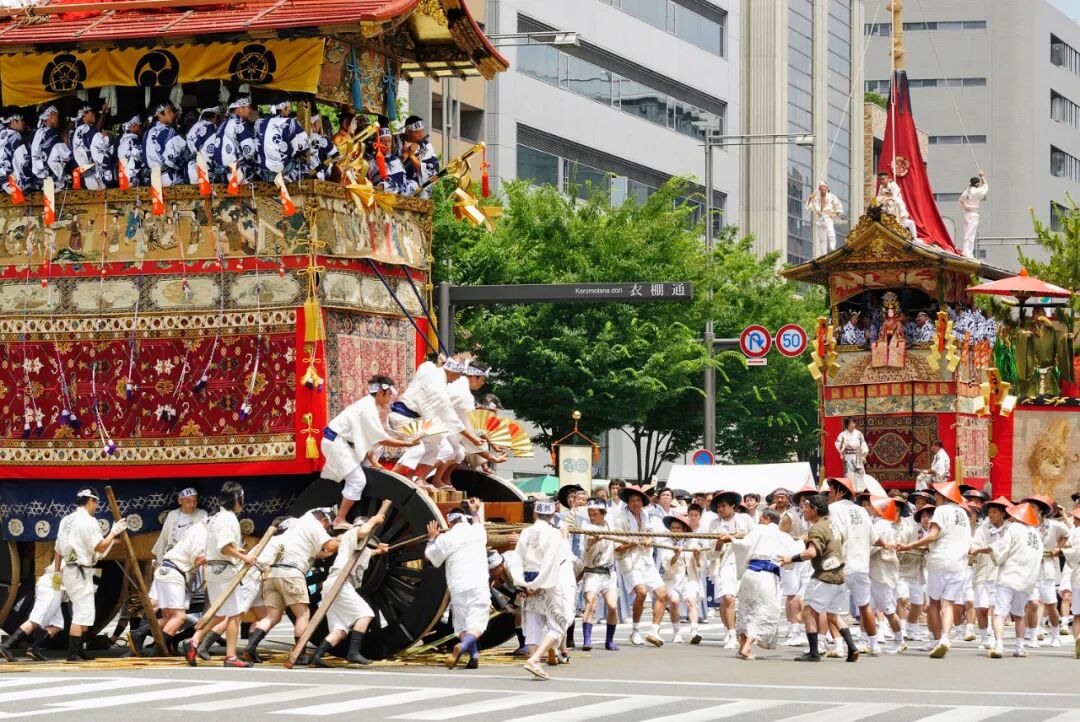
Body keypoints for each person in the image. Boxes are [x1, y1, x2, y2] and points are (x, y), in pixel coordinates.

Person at [241, 509, 339, 664]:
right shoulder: (314, 524)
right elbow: (331, 546)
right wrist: (346, 538)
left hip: (272, 574)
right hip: (292, 573)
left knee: (272, 616)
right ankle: (300, 653)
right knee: (303, 614)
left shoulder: (294, 527)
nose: (327, 530)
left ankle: (251, 646)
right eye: (327, 526)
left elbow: (318, 552)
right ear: (323, 521)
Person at [321, 375, 420, 529]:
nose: (389, 400)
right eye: (388, 395)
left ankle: (367, 469)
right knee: (358, 481)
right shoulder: (367, 409)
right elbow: (381, 439)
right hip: (336, 444)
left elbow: (370, 439)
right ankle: (339, 520)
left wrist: (374, 462)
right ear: (380, 393)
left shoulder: (368, 405)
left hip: (345, 444)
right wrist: (408, 444)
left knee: (375, 450)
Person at [181, 481, 260, 668]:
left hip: (214, 570)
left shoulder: (216, 517)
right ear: (237, 500)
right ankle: (231, 656)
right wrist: (245, 557)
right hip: (224, 570)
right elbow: (224, 548)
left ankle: (194, 640)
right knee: (234, 614)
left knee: (219, 613)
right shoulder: (228, 519)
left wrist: (239, 552)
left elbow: (224, 546)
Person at [895, 481, 972, 658]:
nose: (935, 497)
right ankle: (944, 637)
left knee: (934, 604)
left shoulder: (942, 511)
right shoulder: (963, 514)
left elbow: (933, 535)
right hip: (959, 564)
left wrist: (909, 546)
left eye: (937, 494)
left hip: (940, 561)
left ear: (944, 496)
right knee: (948, 603)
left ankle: (937, 640)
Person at [779, 493, 859, 663]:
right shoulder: (833, 525)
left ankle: (814, 651)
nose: (804, 511)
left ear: (815, 509)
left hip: (824, 576)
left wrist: (790, 558)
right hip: (839, 576)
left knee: (808, 611)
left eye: (806, 507)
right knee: (833, 614)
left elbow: (811, 553)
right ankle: (852, 647)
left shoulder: (816, 528)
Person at [308, 511, 389, 667]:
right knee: (366, 614)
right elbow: (362, 531)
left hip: (336, 585)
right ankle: (353, 652)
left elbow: (368, 552)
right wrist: (373, 520)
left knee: (340, 630)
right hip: (340, 583)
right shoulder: (352, 533)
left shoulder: (361, 548)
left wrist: (379, 551)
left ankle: (317, 656)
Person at [55, 488, 127, 662]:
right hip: (79, 571)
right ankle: (72, 653)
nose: (96, 507)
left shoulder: (66, 520)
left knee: (86, 612)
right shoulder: (89, 521)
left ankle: (79, 650)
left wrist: (57, 577)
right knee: (81, 614)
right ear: (91, 501)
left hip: (68, 570)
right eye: (96, 503)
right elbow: (100, 547)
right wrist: (114, 531)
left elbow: (57, 548)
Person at [721, 509, 797, 659]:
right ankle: (747, 646)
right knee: (762, 611)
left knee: (745, 609)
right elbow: (793, 557)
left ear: (766, 518)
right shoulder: (784, 536)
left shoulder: (759, 530)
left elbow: (743, 545)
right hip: (767, 576)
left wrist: (732, 539)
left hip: (750, 574)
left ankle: (743, 646)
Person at [971, 501, 1043, 658]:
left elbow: (999, 547)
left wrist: (977, 549)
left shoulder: (1014, 529)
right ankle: (1019, 647)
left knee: (999, 613)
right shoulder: (1036, 535)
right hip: (1027, 581)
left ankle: (999, 645)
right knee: (1019, 615)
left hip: (1010, 576)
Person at [425, 507, 490, 670]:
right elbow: (477, 522)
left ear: (449, 521)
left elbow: (431, 557)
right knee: (477, 624)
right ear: (464, 518)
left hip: (459, 586)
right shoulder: (478, 531)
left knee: (461, 626)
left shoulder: (446, 538)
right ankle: (463, 647)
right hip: (479, 584)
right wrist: (475, 511)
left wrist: (432, 538)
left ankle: (473, 656)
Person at [519, 499, 576, 680]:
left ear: (535, 513)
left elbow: (517, 559)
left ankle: (534, 661)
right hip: (548, 582)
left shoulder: (525, 532)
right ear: (552, 515)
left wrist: (524, 583)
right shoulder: (555, 534)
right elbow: (556, 560)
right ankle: (535, 659)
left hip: (528, 580)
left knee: (534, 625)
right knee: (560, 622)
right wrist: (564, 537)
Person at [388, 356, 465, 484]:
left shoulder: (428, 367)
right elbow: (449, 416)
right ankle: (390, 478)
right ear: (451, 371)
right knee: (418, 448)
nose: (457, 379)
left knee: (440, 446)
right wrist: (472, 438)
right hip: (401, 418)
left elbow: (428, 365)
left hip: (415, 421)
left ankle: (414, 478)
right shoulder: (439, 388)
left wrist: (439, 364)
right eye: (458, 375)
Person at [138, 516, 208, 655]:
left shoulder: (195, 529)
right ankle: (157, 648)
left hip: (167, 570)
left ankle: (139, 634)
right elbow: (198, 559)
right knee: (179, 617)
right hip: (174, 573)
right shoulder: (202, 533)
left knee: (170, 617)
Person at [827, 477, 879, 654]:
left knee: (831, 607)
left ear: (840, 492)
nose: (829, 495)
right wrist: (886, 544)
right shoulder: (863, 511)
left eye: (831, 491)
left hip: (841, 564)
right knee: (864, 606)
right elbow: (873, 538)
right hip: (861, 564)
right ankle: (874, 645)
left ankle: (840, 646)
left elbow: (835, 535)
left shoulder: (832, 509)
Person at [614, 485, 668, 647]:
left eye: (638, 500)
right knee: (642, 592)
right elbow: (616, 546)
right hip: (629, 561)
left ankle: (654, 630)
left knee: (662, 593)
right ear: (628, 502)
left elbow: (650, 534)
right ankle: (635, 630)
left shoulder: (645, 515)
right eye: (632, 501)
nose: (636, 503)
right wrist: (631, 543)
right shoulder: (620, 519)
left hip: (646, 560)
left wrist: (649, 540)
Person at [708, 490, 754, 649]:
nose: (721, 509)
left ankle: (741, 631)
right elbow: (711, 550)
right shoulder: (714, 524)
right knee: (727, 598)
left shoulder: (745, 519)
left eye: (724, 506)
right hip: (725, 563)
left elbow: (753, 537)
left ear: (733, 506)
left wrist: (733, 536)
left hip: (743, 562)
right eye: (718, 507)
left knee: (742, 600)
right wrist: (720, 543)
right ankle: (731, 632)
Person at [0, 552, 66, 662]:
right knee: (36, 619)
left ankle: (33, 648)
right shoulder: (76, 547)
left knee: (58, 624)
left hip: (57, 586)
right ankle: (6, 646)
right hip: (53, 585)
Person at [864, 494, 906, 654]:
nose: (868, 507)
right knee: (867, 607)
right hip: (875, 571)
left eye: (871, 505)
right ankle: (870, 642)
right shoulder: (879, 523)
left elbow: (872, 546)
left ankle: (899, 640)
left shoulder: (881, 524)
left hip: (881, 572)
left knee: (887, 609)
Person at [1026, 496, 1067, 648]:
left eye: (1034, 508)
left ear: (1041, 511)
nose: (1031, 510)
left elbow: (1066, 534)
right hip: (1030, 569)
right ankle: (1032, 637)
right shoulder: (1026, 526)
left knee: (1051, 605)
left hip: (1047, 568)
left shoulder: (1054, 525)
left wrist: (1058, 548)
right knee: (1033, 604)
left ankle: (1056, 635)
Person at [580, 498, 620, 652]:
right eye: (590, 512)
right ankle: (587, 640)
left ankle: (609, 641)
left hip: (609, 573)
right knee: (592, 605)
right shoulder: (587, 526)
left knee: (612, 606)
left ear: (603, 513)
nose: (592, 515)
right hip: (592, 573)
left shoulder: (609, 522)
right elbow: (587, 545)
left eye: (595, 513)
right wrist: (592, 541)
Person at [971, 495, 1010, 650]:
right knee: (981, 607)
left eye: (995, 512)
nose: (991, 515)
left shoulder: (1010, 529)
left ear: (1002, 513)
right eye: (990, 512)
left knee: (995, 607)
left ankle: (995, 637)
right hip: (983, 571)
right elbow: (975, 545)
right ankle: (983, 638)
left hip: (1001, 573)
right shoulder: (982, 529)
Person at [660, 515, 704, 645]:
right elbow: (667, 566)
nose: (675, 530)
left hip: (689, 577)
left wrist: (696, 556)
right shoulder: (665, 543)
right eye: (673, 528)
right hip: (672, 578)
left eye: (678, 528)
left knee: (691, 601)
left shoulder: (692, 542)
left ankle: (694, 631)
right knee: (674, 601)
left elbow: (699, 565)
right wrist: (676, 555)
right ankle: (677, 632)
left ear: (684, 529)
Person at [779, 486, 814, 646]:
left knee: (804, 595)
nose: (805, 502)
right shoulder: (789, 516)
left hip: (808, 557)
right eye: (803, 499)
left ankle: (801, 628)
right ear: (798, 501)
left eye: (809, 499)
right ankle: (793, 628)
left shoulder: (814, 516)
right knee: (792, 595)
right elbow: (779, 536)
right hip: (790, 557)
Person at [258, 98, 308, 182]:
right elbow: (304, 146)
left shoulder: (259, 123)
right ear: (284, 109)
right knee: (305, 168)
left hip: (264, 174)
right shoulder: (290, 122)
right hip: (285, 173)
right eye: (288, 108)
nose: (289, 111)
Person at [213, 96, 257, 183]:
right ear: (238, 109)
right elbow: (249, 152)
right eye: (248, 107)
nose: (250, 110)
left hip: (220, 173)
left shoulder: (222, 124)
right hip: (236, 173)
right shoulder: (239, 123)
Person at [144, 101, 187, 187]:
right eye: (169, 111)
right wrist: (183, 165)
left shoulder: (147, 132)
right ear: (159, 114)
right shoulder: (167, 131)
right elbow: (171, 159)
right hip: (169, 179)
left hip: (153, 180)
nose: (172, 114)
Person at [71, 103, 114, 189]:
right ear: (84, 114)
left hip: (85, 177)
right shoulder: (89, 130)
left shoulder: (77, 131)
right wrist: (106, 138)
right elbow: (101, 152)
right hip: (95, 178)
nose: (94, 114)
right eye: (92, 112)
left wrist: (103, 114)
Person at [399, 115, 439, 195]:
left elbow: (429, 170)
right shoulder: (397, 142)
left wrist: (411, 155)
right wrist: (403, 156)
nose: (421, 135)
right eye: (417, 132)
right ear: (408, 132)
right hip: (398, 181)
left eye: (422, 131)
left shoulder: (426, 146)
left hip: (417, 185)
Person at [0, 107, 33, 196]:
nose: (24, 123)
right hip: (14, 187)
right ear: (14, 121)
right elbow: (21, 162)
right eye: (22, 120)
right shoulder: (15, 137)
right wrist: (26, 185)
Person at [805, 182, 843, 252]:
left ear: (827, 188)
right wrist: (810, 199)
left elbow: (839, 207)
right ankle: (823, 253)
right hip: (820, 218)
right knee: (822, 238)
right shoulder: (816, 198)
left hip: (828, 217)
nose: (822, 188)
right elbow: (809, 207)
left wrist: (834, 214)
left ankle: (832, 248)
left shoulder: (831, 197)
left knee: (831, 233)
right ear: (819, 189)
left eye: (824, 187)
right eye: (821, 187)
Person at [186, 107, 220, 184]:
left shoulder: (194, 127)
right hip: (205, 168)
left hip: (192, 168)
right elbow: (210, 151)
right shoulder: (211, 126)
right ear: (214, 116)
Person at [958, 172, 988, 258]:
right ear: (977, 183)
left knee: (966, 233)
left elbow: (960, 201)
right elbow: (985, 187)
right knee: (970, 235)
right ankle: (967, 253)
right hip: (973, 214)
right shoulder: (976, 192)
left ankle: (966, 252)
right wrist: (982, 177)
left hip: (966, 213)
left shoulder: (966, 191)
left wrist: (965, 208)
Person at [1063, 508, 1080, 658]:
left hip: (1078, 576)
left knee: (1077, 615)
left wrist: (1063, 550)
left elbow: (1071, 553)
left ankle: (1077, 642)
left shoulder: (1075, 533)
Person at [834, 419, 868, 486]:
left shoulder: (859, 433)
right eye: (852, 423)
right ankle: (851, 491)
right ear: (847, 425)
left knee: (860, 475)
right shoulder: (842, 435)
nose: (854, 425)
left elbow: (863, 444)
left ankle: (861, 491)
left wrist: (863, 455)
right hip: (849, 457)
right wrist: (843, 443)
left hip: (858, 456)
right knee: (850, 475)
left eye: (854, 423)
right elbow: (838, 445)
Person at [116, 115, 144, 188]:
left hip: (123, 179)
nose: (140, 128)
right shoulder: (134, 141)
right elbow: (139, 159)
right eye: (138, 125)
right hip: (134, 180)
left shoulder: (121, 142)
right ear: (133, 126)